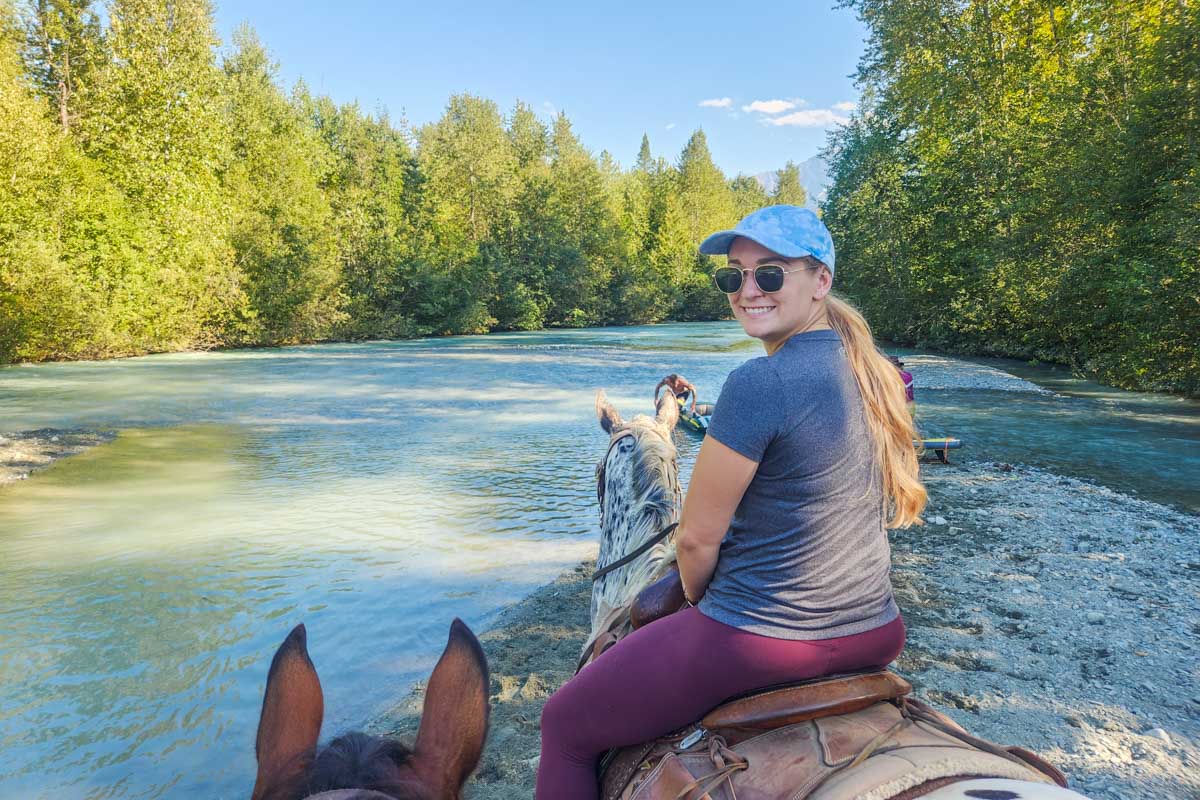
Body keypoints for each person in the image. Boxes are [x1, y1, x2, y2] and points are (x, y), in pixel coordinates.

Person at [536, 205, 927, 799]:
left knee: (564, 725)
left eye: (770, 274)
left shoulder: (758, 382)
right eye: (733, 276)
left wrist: (696, 604)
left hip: (763, 640)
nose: (748, 290)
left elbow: (696, 539)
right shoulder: (875, 375)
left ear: (821, 281)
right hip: (875, 628)